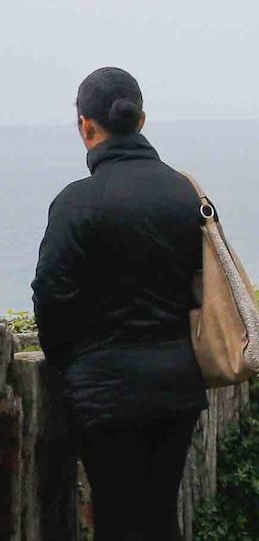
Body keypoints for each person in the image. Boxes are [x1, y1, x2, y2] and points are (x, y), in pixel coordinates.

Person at [33, 68, 206, 540]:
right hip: (177, 382)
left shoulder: (77, 202)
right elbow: (203, 283)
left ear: (86, 126)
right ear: (142, 120)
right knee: (159, 513)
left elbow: (50, 294)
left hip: (104, 387)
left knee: (116, 517)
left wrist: (71, 362)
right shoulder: (184, 192)